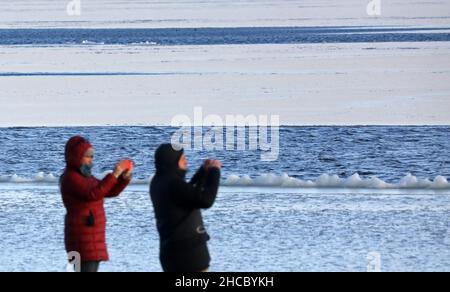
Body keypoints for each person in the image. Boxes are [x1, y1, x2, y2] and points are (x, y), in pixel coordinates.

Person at [60, 136, 132, 272]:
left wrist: (123, 178)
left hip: (91, 239)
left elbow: (107, 191)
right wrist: (115, 173)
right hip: (82, 239)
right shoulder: (71, 178)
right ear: (76, 156)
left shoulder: (85, 177)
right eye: (87, 156)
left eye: (92, 156)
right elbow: (94, 193)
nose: (91, 159)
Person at [150, 144, 221, 272]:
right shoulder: (173, 184)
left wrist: (203, 172)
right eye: (182, 159)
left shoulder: (158, 182)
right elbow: (206, 200)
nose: (186, 161)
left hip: (170, 254)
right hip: (189, 255)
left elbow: (186, 194)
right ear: (172, 162)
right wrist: (215, 171)